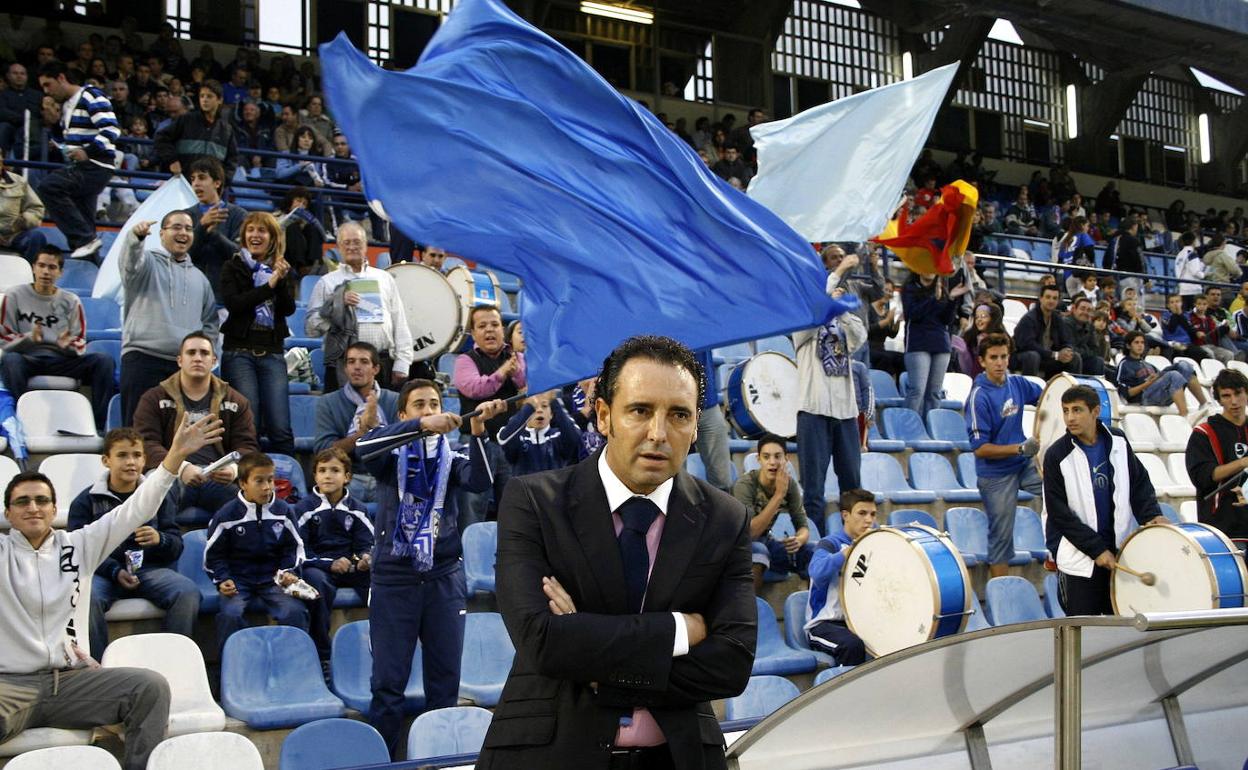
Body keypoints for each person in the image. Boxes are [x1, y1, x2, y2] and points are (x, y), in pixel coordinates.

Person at [480, 336, 754, 770]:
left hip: (680, 757)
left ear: (696, 423)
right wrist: (680, 631)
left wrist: (591, 656)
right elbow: (543, 642)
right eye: (641, 410)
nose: (659, 434)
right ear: (605, 415)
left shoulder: (725, 518)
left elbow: (732, 664)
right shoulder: (533, 501)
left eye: (679, 415)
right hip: (550, 753)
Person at [0, 412, 220, 770]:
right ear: (8, 513)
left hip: (70, 683)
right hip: (10, 685)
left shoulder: (78, 545)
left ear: (55, 509)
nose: (33, 507)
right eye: (22, 501)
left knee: (148, 688)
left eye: (42, 500)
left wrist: (173, 458)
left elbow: (136, 510)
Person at [357, 380, 504, 757]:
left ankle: (438, 760)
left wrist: (477, 433)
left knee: (444, 683)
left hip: (443, 578)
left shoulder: (450, 458)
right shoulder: (390, 455)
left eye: (435, 402)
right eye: (419, 404)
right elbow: (363, 448)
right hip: (394, 580)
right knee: (388, 685)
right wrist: (421, 426)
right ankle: (385, 762)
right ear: (403, 414)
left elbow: (480, 480)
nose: (429, 408)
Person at [68, 428, 200, 659]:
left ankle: (176, 661)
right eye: (122, 455)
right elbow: (76, 552)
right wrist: (114, 570)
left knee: (187, 592)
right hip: (102, 573)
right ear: (106, 460)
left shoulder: (160, 496)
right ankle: (97, 669)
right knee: (85, 598)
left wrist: (161, 540)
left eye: (137, 455)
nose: (131, 462)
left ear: (144, 459)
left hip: (150, 570)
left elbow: (176, 546)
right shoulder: (85, 501)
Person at [1044, 385, 1166, 615]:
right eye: (1066, 411)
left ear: (1095, 411)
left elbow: (1139, 482)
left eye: (1077, 410)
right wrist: (1096, 549)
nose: (1070, 418)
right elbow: (1059, 513)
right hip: (1079, 561)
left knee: (1119, 630)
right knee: (1083, 632)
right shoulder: (1056, 455)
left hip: (1118, 553)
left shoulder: (1118, 440)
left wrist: (1152, 515)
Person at [133, 332, 259, 519]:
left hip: (216, 478)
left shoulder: (236, 401)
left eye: (204, 353)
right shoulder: (154, 398)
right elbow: (146, 445)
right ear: (179, 360)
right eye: (191, 353)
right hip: (170, 474)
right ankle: (157, 545)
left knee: (245, 506)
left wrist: (233, 470)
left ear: (213, 360)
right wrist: (181, 467)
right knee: (152, 489)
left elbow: (248, 447)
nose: (198, 358)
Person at [203, 451, 311, 654]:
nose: (267, 487)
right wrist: (223, 579)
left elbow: (294, 548)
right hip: (238, 580)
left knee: (294, 612)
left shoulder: (284, 511)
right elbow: (214, 555)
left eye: (270, 480)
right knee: (230, 615)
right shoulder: (226, 515)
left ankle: (294, 666)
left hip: (273, 579)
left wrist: (288, 571)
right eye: (259, 481)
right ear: (243, 483)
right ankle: (230, 669)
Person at [0, 246, 115, 430]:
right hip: (27, 358)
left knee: (103, 361)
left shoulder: (71, 300)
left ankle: (100, 424)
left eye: (52, 267)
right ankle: (18, 420)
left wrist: (66, 345)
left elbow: (80, 344)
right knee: (10, 360)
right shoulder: (15, 296)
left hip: (62, 360)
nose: (46, 271)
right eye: (42, 265)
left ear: (60, 272)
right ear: (33, 268)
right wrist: (30, 339)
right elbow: (4, 339)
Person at [118, 213, 218, 424]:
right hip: (142, 358)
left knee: (176, 435)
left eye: (189, 229)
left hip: (182, 367)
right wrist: (135, 239)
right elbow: (129, 266)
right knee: (136, 430)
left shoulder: (201, 279)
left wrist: (208, 355)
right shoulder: (146, 263)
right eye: (176, 227)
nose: (183, 233)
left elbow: (210, 322)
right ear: (162, 233)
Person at [966, 333, 1042, 578]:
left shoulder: (1017, 383)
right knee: (1001, 537)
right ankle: (1001, 592)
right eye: (994, 358)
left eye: (1003, 357)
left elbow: (1047, 395)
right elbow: (980, 448)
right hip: (995, 474)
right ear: (982, 361)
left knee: (1062, 488)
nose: (1000, 363)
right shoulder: (979, 396)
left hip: (1023, 463)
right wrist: (1019, 448)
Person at [219, 211, 296, 455]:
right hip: (239, 353)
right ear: (243, 236)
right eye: (250, 230)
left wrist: (281, 281)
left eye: (262, 231)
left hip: (272, 353)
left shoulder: (280, 270)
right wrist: (269, 286)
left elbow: (288, 309)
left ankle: (289, 482)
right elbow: (236, 304)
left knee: (280, 426)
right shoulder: (233, 266)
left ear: (272, 237)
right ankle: (248, 480)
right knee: (248, 425)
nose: (255, 235)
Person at [305, 220, 413, 390]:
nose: (352, 247)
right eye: (346, 243)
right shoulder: (326, 282)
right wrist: (336, 306)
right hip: (341, 364)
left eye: (357, 242)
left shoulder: (384, 278)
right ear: (339, 247)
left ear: (365, 246)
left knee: (381, 416)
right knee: (341, 416)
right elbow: (311, 328)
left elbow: (399, 321)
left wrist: (402, 363)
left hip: (381, 363)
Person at [293, 447, 373, 661]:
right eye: (322, 470)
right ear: (315, 476)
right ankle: (323, 656)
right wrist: (329, 564)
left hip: (349, 567)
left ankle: (382, 647)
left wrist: (365, 559)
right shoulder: (303, 509)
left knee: (380, 581)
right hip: (318, 567)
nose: (328, 475)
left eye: (335, 470)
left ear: (347, 477)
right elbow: (299, 552)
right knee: (316, 583)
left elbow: (366, 544)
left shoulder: (358, 509)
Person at [36, 61, 119, 260]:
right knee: (85, 222)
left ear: (61, 78)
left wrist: (88, 151)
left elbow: (111, 129)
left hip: (95, 165)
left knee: (49, 187)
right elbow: (64, 141)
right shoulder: (66, 106)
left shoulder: (91, 94)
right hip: (83, 166)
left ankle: (85, 240)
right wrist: (53, 123)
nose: (47, 91)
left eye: (48, 85)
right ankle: (90, 256)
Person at [795, 295, 862, 537]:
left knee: (852, 484)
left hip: (845, 412)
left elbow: (860, 336)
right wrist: (826, 299)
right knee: (813, 488)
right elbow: (810, 323)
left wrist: (841, 310)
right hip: (813, 411)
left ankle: (854, 543)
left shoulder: (844, 325)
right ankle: (816, 547)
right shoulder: (804, 319)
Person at [453, 305, 523, 523]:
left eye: (494, 325)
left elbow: (528, 386)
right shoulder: (465, 360)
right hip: (476, 444)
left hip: (510, 444)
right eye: (482, 326)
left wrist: (517, 371)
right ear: (473, 333)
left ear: (503, 329)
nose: (489, 330)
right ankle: (469, 555)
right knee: (472, 507)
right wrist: (502, 373)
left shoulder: (516, 357)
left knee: (514, 507)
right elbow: (475, 388)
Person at [313, 341, 398, 505]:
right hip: (347, 479)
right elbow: (322, 451)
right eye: (351, 362)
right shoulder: (327, 402)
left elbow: (403, 445)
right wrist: (360, 435)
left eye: (364, 362)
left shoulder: (395, 400)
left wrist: (377, 432)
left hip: (385, 478)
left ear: (376, 369)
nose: (356, 367)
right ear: (345, 369)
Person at [804, 487, 876, 666]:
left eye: (873, 514)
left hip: (858, 622)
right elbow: (817, 571)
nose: (869, 520)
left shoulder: (876, 545)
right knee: (852, 646)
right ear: (846, 515)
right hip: (825, 624)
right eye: (862, 513)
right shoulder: (830, 544)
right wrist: (850, 551)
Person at [733, 434, 812, 592]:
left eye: (777, 456)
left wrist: (799, 540)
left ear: (786, 459)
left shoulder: (789, 484)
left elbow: (803, 525)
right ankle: (749, 612)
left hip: (767, 541)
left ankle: (815, 610)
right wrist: (778, 496)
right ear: (759, 460)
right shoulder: (745, 484)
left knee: (814, 552)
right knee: (759, 552)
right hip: (736, 546)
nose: (772, 462)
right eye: (766, 457)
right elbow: (750, 533)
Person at [1186, 369, 1248, 541]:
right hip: (1221, 530)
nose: (1234, 401)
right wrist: (1242, 463)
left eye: (1238, 394)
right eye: (1227, 396)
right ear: (1219, 399)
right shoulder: (1204, 433)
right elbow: (1202, 477)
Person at [182, 157, 245, 299]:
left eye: (202, 178)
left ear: (217, 183)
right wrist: (202, 227)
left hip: (226, 299)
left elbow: (241, 257)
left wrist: (215, 235)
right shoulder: (185, 216)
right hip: (190, 296)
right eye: (193, 179)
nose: (196, 184)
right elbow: (183, 255)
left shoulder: (238, 215)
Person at [153, 78, 239, 182]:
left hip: (211, 189)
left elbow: (232, 159)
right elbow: (161, 138)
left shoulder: (227, 130)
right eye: (202, 96)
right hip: (183, 183)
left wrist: (224, 180)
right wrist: (172, 160)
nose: (204, 100)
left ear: (219, 100)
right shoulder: (186, 120)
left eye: (209, 96)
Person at [901, 272, 961, 417]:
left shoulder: (942, 289)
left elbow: (947, 319)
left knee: (934, 393)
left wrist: (952, 299)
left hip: (941, 343)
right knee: (917, 390)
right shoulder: (910, 288)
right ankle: (909, 427)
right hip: (918, 343)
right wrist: (934, 299)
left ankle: (931, 427)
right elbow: (913, 314)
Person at [1115, 331, 1208, 423]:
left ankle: (1204, 405)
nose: (1140, 345)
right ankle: (1185, 416)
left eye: (1142, 342)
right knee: (1174, 375)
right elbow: (1127, 393)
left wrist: (1157, 377)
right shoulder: (1125, 364)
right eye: (1136, 342)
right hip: (1143, 398)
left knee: (1185, 366)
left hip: (1158, 392)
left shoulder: (1147, 364)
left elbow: (1160, 379)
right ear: (1128, 346)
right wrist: (1147, 383)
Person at [496, 389, 582, 477]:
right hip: (525, 490)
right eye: (533, 407)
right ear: (522, 413)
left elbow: (575, 437)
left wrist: (553, 401)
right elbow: (503, 439)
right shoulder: (518, 437)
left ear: (551, 414)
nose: (539, 410)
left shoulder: (558, 436)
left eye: (544, 406)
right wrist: (528, 408)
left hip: (553, 490)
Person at [1013, 284, 1082, 378]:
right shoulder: (1029, 318)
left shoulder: (1057, 318)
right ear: (1041, 298)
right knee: (1033, 356)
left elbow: (1066, 340)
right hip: (1023, 357)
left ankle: (1071, 391)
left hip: (1047, 358)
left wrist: (1067, 350)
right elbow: (1028, 345)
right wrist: (1054, 354)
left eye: (1055, 298)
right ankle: (1029, 389)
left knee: (1075, 357)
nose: (1051, 301)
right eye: (1048, 297)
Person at [0, 155, 46, 263]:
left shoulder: (19, 182)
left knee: (36, 237)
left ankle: (28, 277)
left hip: (13, 235)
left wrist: (24, 220)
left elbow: (36, 208)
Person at [1174, 232, 1204, 311]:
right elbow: (1195, 272)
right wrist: (1204, 274)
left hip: (1182, 289)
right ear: (1193, 241)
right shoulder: (1192, 254)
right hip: (1193, 289)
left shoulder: (1179, 254)